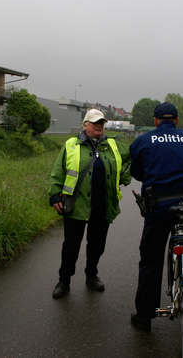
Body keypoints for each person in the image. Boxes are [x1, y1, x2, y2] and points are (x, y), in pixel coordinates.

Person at [128, 102, 183, 331]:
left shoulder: (143, 141)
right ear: (176, 120)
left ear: (155, 121)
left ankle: (144, 316)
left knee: (150, 259)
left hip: (159, 208)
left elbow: (136, 171)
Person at [48, 109, 131, 298]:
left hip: (102, 205)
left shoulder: (113, 145)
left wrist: (123, 176)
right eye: (95, 123)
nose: (99, 126)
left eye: (101, 122)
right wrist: (54, 195)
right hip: (76, 204)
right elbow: (58, 171)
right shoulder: (71, 145)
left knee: (97, 244)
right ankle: (64, 280)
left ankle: (91, 275)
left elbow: (130, 159)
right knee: (71, 245)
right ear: (85, 125)